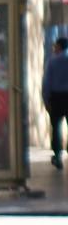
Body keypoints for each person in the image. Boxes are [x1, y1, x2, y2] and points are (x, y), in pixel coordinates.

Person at [43, 36, 68, 167]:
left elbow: (47, 82)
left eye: (55, 46)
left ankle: (58, 156)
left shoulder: (52, 61)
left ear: (59, 46)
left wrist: (46, 99)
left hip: (57, 97)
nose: (54, 49)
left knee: (56, 127)